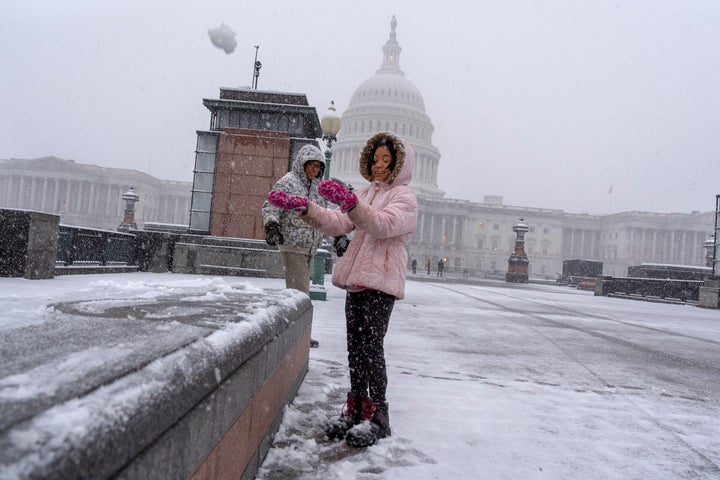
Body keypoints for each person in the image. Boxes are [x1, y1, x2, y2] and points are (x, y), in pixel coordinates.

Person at [266, 132, 418, 448]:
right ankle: (356, 408)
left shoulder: (404, 198)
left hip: (381, 284)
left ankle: (379, 416)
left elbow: (382, 225)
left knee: (371, 348)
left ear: (399, 166)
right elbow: (336, 222)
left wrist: (351, 203)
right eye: (375, 160)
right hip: (357, 281)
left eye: (386, 161)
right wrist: (304, 206)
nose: (379, 166)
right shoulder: (364, 194)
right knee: (355, 347)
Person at [262, 144, 325, 348]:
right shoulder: (289, 182)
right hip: (293, 245)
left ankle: (299, 332)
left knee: (298, 295)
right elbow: (271, 204)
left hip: (309, 247)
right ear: (302, 164)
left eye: (318, 167)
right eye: (312, 166)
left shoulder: (315, 188)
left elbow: (324, 217)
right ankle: (300, 334)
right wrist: (271, 225)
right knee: (300, 294)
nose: (315, 170)